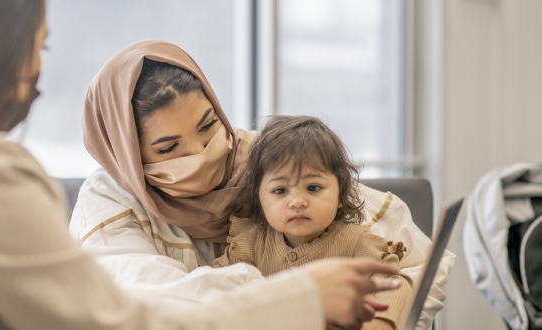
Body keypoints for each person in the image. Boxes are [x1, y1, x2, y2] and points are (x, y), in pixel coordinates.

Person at [0, 1, 400, 329]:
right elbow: (118, 320)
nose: (36, 69)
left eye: (208, 127)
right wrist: (303, 294)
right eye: (38, 48)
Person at [72, 40, 456, 330]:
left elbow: (413, 262)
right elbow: (149, 302)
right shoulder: (109, 201)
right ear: (123, 153)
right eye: (169, 148)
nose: (201, 153)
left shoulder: (267, 157)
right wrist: (302, 295)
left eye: (208, 127)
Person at [213, 115, 413, 330]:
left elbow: (396, 284)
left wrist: (381, 323)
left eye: (313, 188)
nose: (297, 202)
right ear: (258, 199)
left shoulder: (356, 242)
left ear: (340, 194)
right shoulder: (249, 243)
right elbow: (217, 286)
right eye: (280, 190)